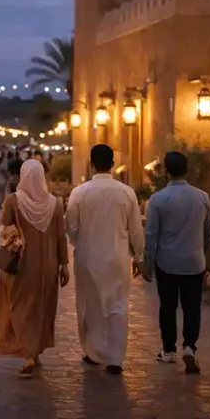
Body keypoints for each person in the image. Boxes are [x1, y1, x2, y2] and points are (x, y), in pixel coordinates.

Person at [65, 144, 144, 375]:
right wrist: (139, 256)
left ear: (91, 164)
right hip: (118, 257)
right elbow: (136, 230)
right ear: (112, 164)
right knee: (117, 305)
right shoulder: (126, 192)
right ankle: (115, 357)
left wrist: (79, 243)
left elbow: (71, 225)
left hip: (88, 257)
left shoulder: (79, 193)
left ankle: (93, 351)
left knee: (90, 305)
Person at [0, 159, 70, 378]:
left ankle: (28, 353)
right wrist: (64, 265)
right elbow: (60, 237)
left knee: (19, 306)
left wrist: (14, 232)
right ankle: (34, 351)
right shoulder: (54, 203)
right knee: (40, 307)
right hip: (48, 265)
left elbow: (3, 230)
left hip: (22, 263)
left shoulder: (13, 201)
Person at [143, 150, 210, 375]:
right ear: (187, 170)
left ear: (165, 171)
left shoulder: (158, 199)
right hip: (194, 262)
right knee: (193, 307)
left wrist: (147, 262)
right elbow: (208, 233)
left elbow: (151, 234)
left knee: (168, 307)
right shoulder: (202, 197)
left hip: (167, 262)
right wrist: (203, 253)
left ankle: (168, 350)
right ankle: (190, 347)